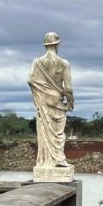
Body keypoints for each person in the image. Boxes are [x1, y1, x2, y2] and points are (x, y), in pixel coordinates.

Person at [27, 31, 74, 168]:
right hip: (57, 100)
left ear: (46, 45)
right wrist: (70, 102)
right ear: (57, 44)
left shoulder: (37, 62)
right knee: (58, 132)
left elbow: (30, 79)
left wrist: (41, 91)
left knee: (44, 130)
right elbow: (68, 88)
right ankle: (58, 159)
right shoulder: (63, 63)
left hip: (43, 100)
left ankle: (45, 162)